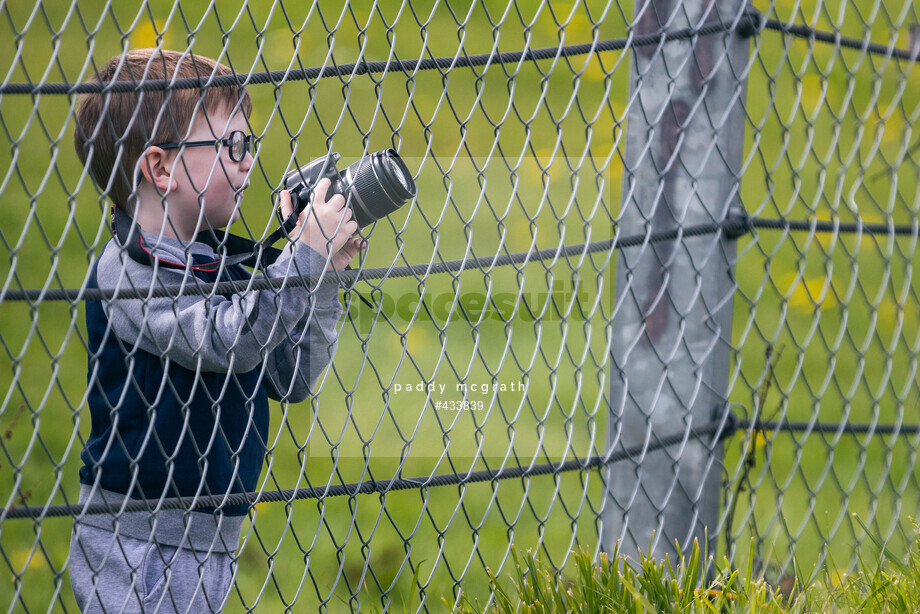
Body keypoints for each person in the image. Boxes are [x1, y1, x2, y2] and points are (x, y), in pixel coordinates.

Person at [69, 48, 361, 613]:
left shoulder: (218, 262)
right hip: (134, 542)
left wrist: (322, 276)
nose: (249, 159)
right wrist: (298, 258)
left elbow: (290, 375)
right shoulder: (126, 268)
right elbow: (228, 340)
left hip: (210, 537)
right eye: (232, 145)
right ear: (161, 168)